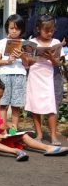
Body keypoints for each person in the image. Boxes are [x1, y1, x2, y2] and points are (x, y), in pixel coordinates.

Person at [0, 77, 68, 162]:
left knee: (23, 135)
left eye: (1, 97)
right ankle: (15, 151)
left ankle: (48, 148)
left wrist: (8, 125)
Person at [24, 14, 64, 146]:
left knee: (51, 107)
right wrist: (26, 57)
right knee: (35, 106)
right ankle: (39, 134)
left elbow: (58, 63)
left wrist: (51, 57)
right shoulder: (32, 42)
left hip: (49, 76)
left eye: (52, 30)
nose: (49, 33)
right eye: (46, 30)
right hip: (35, 74)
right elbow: (28, 64)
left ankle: (53, 136)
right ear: (38, 29)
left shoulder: (56, 42)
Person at [0, 14, 28, 129]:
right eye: (11, 28)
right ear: (7, 28)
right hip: (4, 75)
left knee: (16, 105)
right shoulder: (2, 42)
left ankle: (14, 130)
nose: (14, 31)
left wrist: (22, 55)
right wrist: (7, 61)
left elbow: (28, 63)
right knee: (3, 104)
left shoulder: (25, 43)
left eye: (17, 28)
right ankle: (3, 129)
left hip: (20, 75)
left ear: (22, 29)